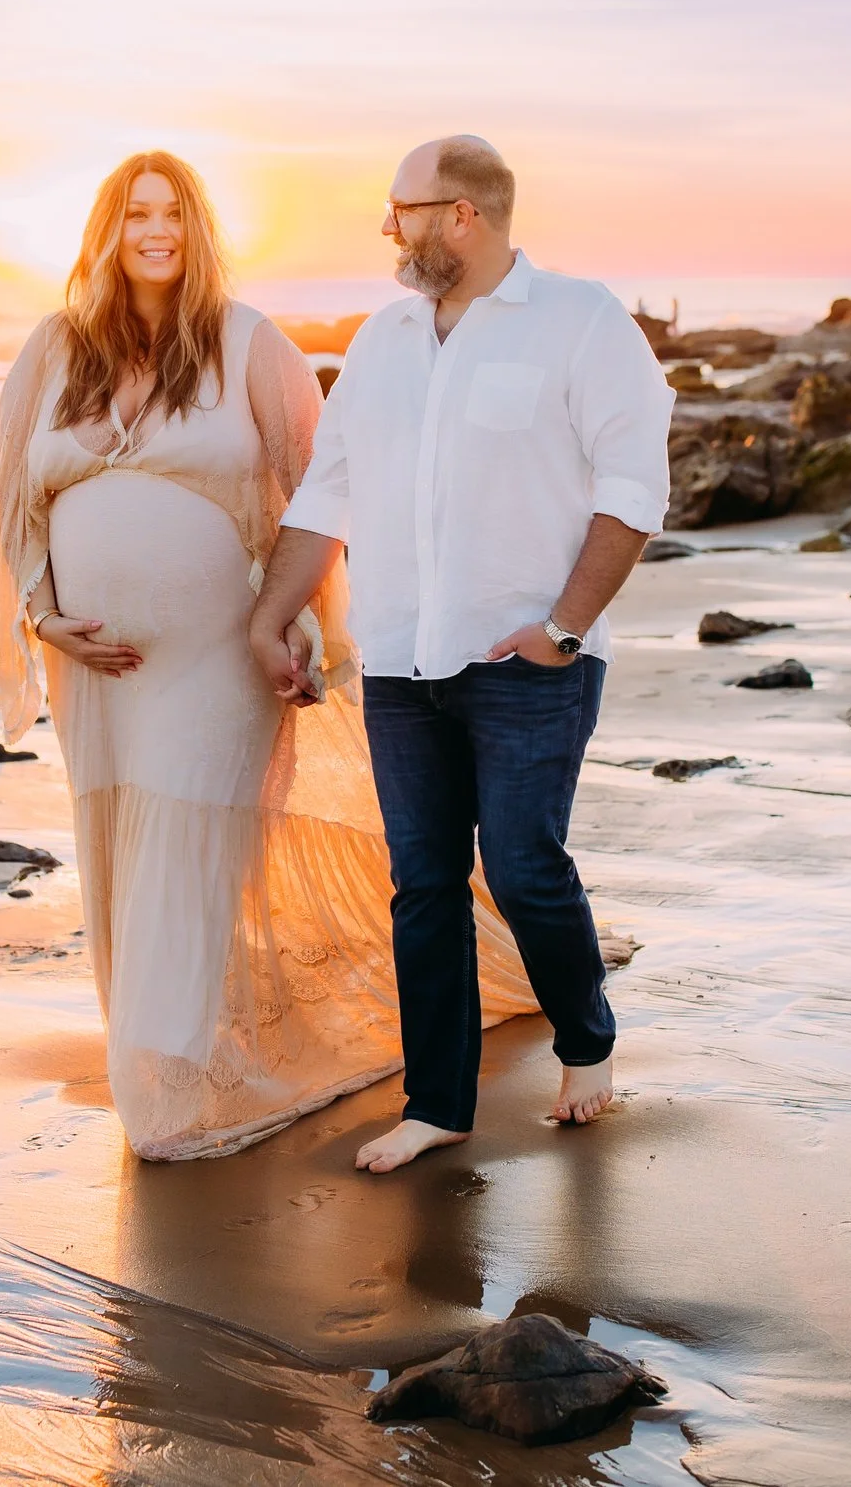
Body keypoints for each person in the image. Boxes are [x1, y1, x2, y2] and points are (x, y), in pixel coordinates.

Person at [0, 150, 538, 1161]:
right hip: (92, 673)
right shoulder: (52, 350)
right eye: (134, 213)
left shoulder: (249, 342)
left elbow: (319, 490)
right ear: (104, 229)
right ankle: (165, 1056)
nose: (154, 231)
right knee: (122, 858)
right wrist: (42, 619)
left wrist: (298, 618)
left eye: (172, 212)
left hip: (218, 659)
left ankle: (165, 1091)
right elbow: (11, 502)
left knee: (186, 850)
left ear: (198, 227)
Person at [249, 136, 673, 1174]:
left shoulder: (581, 322)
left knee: (526, 869)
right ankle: (435, 1102)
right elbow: (326, 493)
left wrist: (564, 627)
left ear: (463, 216)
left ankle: (587, 1037)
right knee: (423, 882)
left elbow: (632, 490)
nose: (389, 229)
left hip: (532, 657)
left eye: (402, 210)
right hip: (401, 658)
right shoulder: (383, 338)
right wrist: (273, 614)